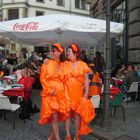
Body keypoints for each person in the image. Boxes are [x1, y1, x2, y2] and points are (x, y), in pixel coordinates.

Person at [65, 44, 95, 140]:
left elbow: (86, 81)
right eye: (67, 51)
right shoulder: (65, 64)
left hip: (78, 94)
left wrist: (86, 95)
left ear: (75, 53)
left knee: (78, 116)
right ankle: (68, 135)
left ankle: (77, 135)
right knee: (67, 116)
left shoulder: (83, 64)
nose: (67, 53)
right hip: (67, 93)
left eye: (69, 51)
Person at [39, 43, 68, 140]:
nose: (51, 52)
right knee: (54, 117)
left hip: (61, 94)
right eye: (51, 50)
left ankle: (51, 136)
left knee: (55, 118)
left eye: (54, 51)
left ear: (60, 52)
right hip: (50, 94)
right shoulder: (47, 63)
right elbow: (42, 79)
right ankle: (58, 138)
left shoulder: (64, 64)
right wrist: (50, 91)